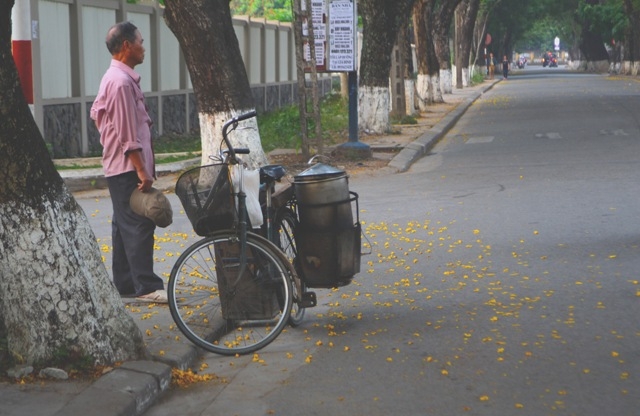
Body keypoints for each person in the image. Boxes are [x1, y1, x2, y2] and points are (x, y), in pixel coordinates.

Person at [90, 21, 168, 303]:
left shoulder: (116, 78)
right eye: (140, 42)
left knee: (123, 224)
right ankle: (146, 286)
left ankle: (124, 284)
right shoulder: (121, 82)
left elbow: (100, 115)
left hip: (119, 165)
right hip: (126, 167)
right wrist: (141, 169)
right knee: (139, 222)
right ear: (126, 46)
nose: (143, 47)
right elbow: (126, 133)